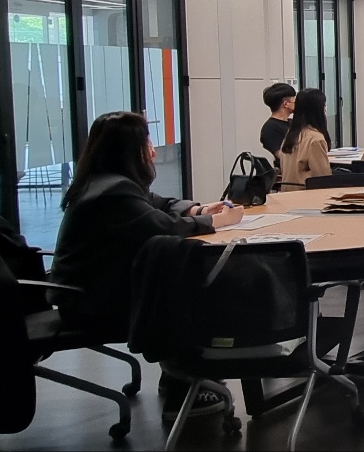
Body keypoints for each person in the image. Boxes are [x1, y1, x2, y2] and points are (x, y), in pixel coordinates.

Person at [48, 111, 244, 419]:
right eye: (147, 143)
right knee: (195, 286)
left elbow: (160, 204)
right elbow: (165, 226)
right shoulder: (112, 192)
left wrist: (199, 209)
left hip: (88, 292)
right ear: (130, 150)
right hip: (93, 304)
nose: (153, 151)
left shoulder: (106, 182)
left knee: (176, 272)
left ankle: (180, 374)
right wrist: (217, 221)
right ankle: (183, 387)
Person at [277, 88, 333, 188]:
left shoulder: (291, 135)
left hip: (287, 192)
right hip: (306, 193)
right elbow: (323, 178)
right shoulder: (315, 139)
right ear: (319, 109)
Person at [260, 82, 296, 161]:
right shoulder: (270, 128)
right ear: (286, 104)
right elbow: (283, 156)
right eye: (294, 100)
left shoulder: (293, 122)